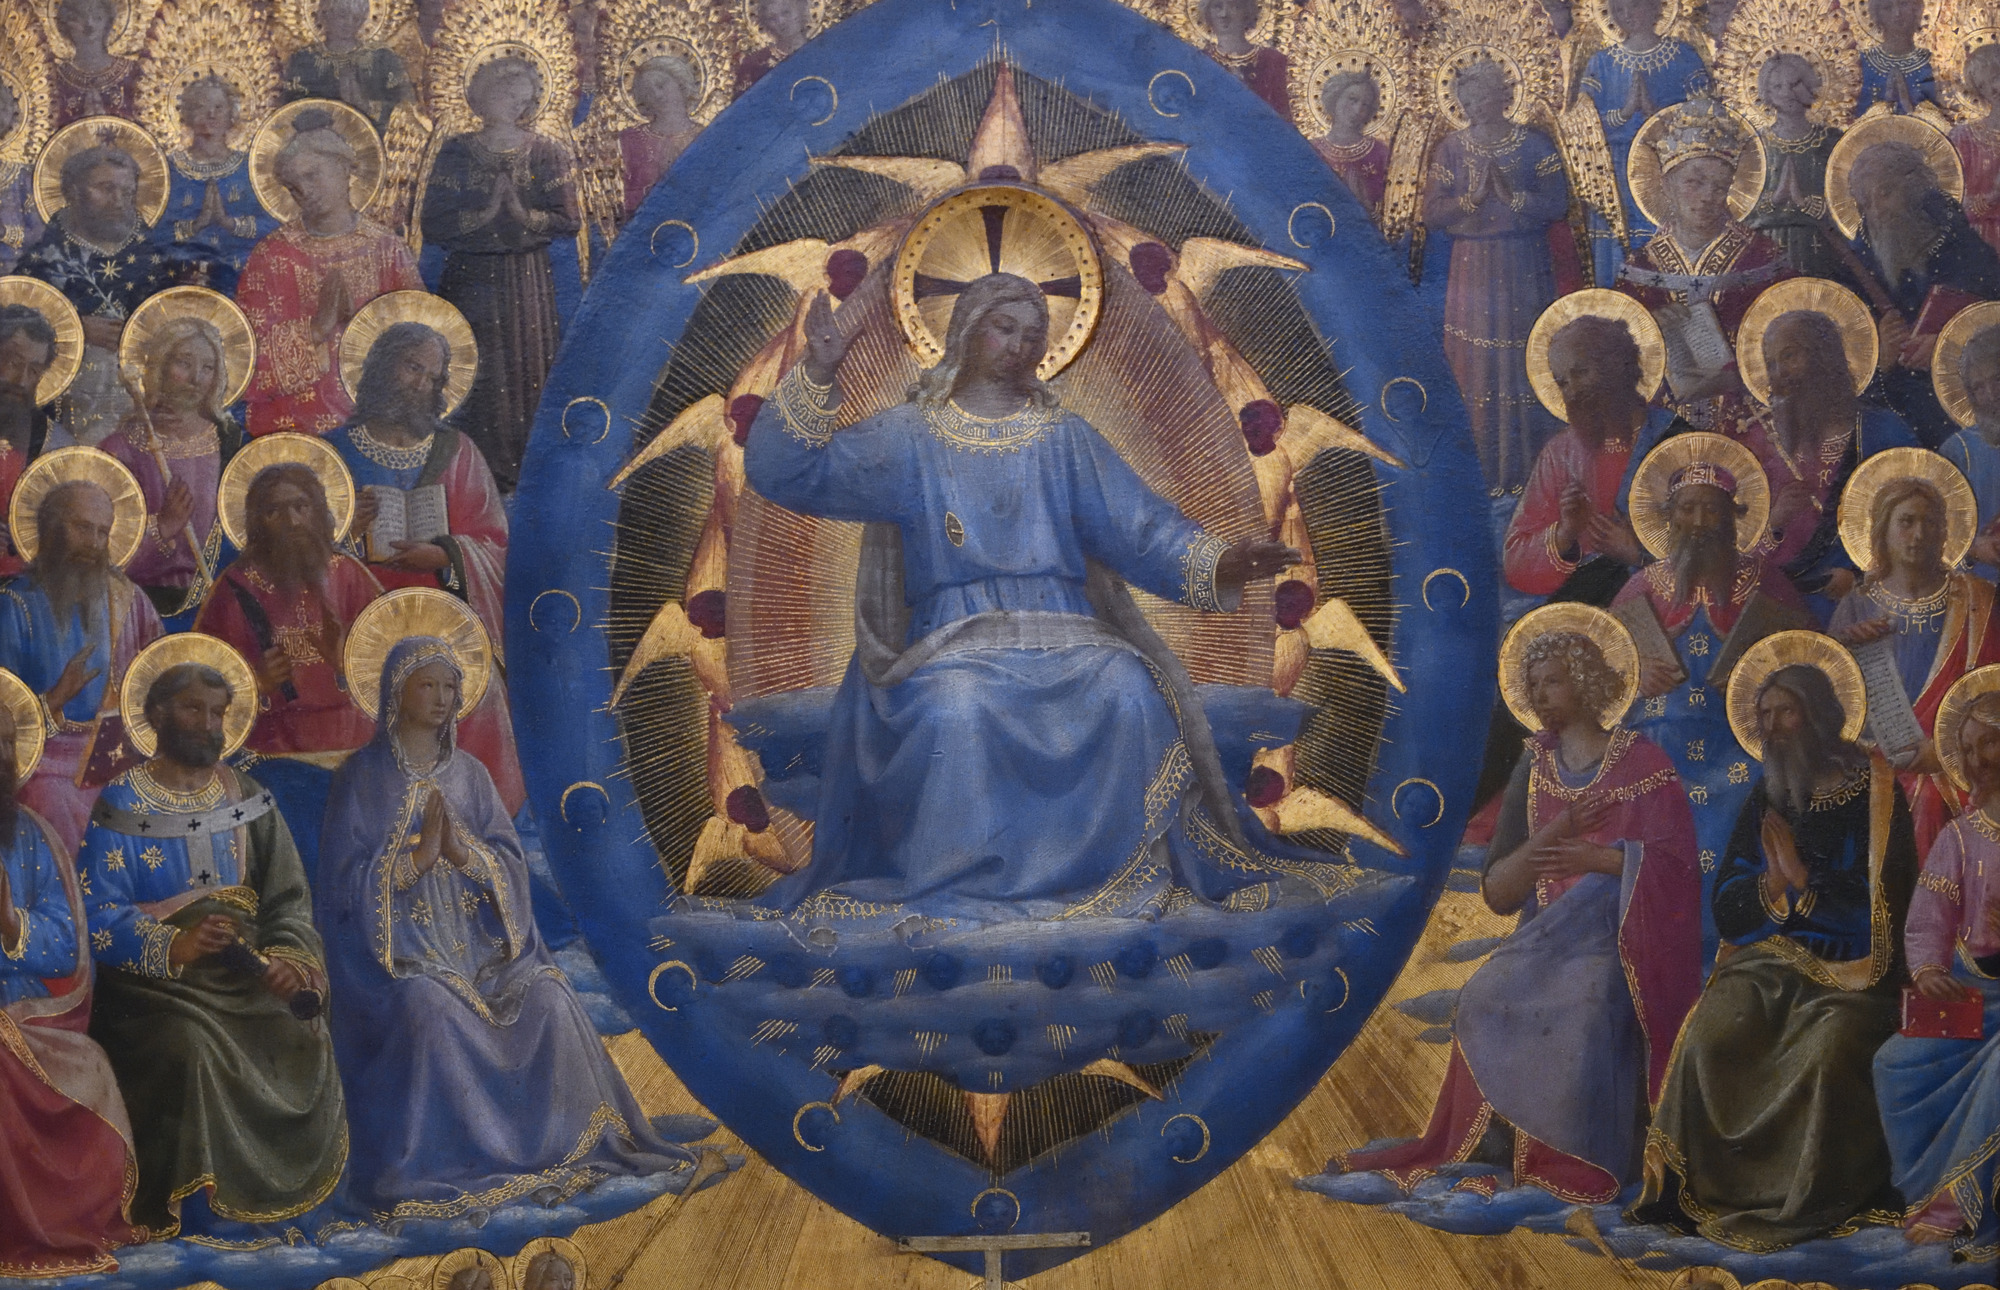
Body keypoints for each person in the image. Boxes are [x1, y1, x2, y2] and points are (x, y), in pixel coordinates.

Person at [743, 272, 1307, 920]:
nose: (1018, 345)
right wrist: (817, 372)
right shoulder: (911, 435)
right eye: (1004, 328)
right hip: (951, 640)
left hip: (1068, 631)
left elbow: (1143, 531)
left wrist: (1225, 562)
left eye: (1033, 336)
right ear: (967, 330)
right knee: (956, 707)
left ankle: (1115, 884)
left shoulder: (1064, 438)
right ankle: (961, 895)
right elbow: (787, 473)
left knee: (1128, 691)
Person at [318, 635, 691, 1218]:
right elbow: (340, 889)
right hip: (403, 965)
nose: (442, 698)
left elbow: (509, 860)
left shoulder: (470, 775)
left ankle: (566, 1148)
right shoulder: (360, 779)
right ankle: (445, 1163)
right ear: (396, 692)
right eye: (427, 685)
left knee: (551, 997)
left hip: (485, 956)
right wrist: (414, 862)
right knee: (429, 1010)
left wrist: (464, 855)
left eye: (450, 686)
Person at [1341, 617, 1701, 1202]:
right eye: (1532, 685)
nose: (1539, 696)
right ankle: (1497, 1145)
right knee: (1483, 996)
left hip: (1621, 944)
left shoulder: (1644, 765)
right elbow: (1499, 892)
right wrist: (1555, 833)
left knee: (1585, 1004)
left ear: (1585, 682)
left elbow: (1681, 874)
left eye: (1551, 681)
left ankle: (1572, 1159)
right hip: (1544, 941)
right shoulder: (1532, 770)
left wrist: (1603, 860)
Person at [1628, 657, 1917, 1250]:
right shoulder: (1771, 792)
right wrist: (1773, 885)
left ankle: (1809, 1198)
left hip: (1857, 976)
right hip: (1771, 961)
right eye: (1763, 715)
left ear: (1820, 714)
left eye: (1785, 711)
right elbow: (1728, 902)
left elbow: (1891, 903)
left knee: (1829, 1050)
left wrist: (1805, 883)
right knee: (1711, 1034)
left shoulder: (1879, 790)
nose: (1773, 726)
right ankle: (1695, 1193)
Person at [78, 658, 346, 1238]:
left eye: (218, 713)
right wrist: (176, 945)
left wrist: (288, 962)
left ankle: (290, 1213)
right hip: (156, 991)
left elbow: (288, 899)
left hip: (244, 977)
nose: (207, 724)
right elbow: (97, 913)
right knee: (190, 1047)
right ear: (156, 714)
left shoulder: (248, 796)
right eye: (192, 709)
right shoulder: (122, 800)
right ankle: (203, 1216)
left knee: (304, 1031)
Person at [1611, 443, 1813, 954]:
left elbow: (1806, 668)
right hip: (1655, 743)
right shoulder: (1639, 589)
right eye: (1687, 508)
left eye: (1711, 509)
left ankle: (1736, 940)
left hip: (1741, 742)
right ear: (1669, 517)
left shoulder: (1768, 585)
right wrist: (1634, 678)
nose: (1699, 522)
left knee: (1749, 800)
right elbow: (1601, 684)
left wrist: (1764, 680)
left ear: (1732, 517)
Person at [327, 321, 524, 812]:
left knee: (482, 693)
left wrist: (444, 555)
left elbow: (495, 544)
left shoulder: (457, 451)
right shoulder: (333, 452)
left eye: (433, 377)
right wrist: (346, 535)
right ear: (381, 366)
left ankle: (473, 817)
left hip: (443, 617)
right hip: (356, 615)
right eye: (412, 367)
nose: (421, 384)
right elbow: (296, 555)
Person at [0, 689, 144, 1276]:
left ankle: (60, 1220)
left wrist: (12, 925)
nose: (1, 755)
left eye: (7, 742)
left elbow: (65, 947)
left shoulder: (30, 835)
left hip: (22, 1012)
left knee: (89, 1066)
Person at [1872, 687, 2000, 1256]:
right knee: (1893, 1062)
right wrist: (1926, 971)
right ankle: (1926, 1193)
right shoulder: (1960, 838)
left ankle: (1958, 1205)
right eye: (1967, 748)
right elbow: (1928, 920)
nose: (1976, 759)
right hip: (1973, 994)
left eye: (1988, 744)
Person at [420, 56, 581, 492]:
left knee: (525, 366)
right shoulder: (456, 151)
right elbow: (433, 223)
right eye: (499, 92)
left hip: (526, 279)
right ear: (479, 96)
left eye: (517, 96)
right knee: (474, 366)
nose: (509, 102)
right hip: (470, 276)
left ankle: (524, 471)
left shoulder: (545, 152)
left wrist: (522, 215)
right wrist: (488, 212)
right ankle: (469, 471)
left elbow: (568, 220)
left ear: (529, 101)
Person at [1423, 57, 1571, 499]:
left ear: (1504, 96)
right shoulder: (1452, 148)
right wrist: (1470, 200)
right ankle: (1481, 472)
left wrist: (1513, 197)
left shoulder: (1534, 145)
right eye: (1467, 101)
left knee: (1524, 356)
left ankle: (1533, 470)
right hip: (1471, 268)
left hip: (1523, 262)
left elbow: (1558, 205)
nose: (1475, 107)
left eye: (1484, 97)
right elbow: (1432, 214)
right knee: (1475, 365)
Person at [1830, 470, 2000, 853]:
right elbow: (1833, 703)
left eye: (1930, 523)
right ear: (1883, 530)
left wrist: (1944, 750)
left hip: (1962, 763)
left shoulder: (1977, 599)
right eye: (1906, 522)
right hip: (1877, 767)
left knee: (1935, 799)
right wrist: (1847, 651)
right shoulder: (1856, 605)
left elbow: (1992, 690)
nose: (1919, 534)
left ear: (1943, 533)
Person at [0, 475, 164, 851]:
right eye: (82, 528)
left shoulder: (128, 600)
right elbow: (4, 712)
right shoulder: (14, 606)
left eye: (102, 532)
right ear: (50, 529)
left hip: (117, 752)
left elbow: (159, 673)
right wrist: (55, 698)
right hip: (42, 761)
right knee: (51, 800)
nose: (93, 543)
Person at [236, 110, 423, 437]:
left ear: (344, 168)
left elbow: (420, 342)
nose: (304, 192)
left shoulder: (386, 249)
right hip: (291, 427)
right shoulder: (271, 255)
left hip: (372, 424)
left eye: (312, 175)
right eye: (293, 187)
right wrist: (317, 328)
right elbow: (245, 361)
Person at [1617, 98, 1793, 429]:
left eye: (1719, 186)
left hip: (1747, 419)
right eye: (1694, 182)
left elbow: (1790, 334)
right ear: (1667, 185)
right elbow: (1618, 348)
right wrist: (1649, 326)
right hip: (1664, 420)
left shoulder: (1762, 256)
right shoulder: (1641, 264)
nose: (1707, 196)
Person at [1732, 307, 1919, 614]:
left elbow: (1919, 526)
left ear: (1824, 356)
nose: (1780, 374)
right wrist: (1775, 521)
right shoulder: (1769, 457)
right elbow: (1744, 557)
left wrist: (1861, 577)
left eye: (1790, 356)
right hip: (1785, 610)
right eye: (1771, 364)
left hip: (1870, 607)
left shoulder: (1884, 432)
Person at [195, 462, 380, 759]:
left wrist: (345, 663)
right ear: (258, 521)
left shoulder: (347, 574)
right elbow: (203, 679)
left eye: (301, 506)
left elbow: (392, 665)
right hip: (268, 747)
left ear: (318, 511)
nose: (291, 522)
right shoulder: (235, 587)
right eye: (273, 511)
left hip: (353, 741)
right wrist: (256, 681)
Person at [17, 144, 187, 447]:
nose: (118, 200)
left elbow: (178, 327)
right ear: (73, 191)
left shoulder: (152, 258)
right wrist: (75, 329)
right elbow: (13, 330)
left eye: (127, 191)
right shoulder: (43, 260)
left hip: (140, 408)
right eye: (106, 188)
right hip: (64, 408)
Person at [1842, 139, 2000, 449]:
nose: (1878, 211)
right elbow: (1850, 380)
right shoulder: (1859, 269)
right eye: (1867, 204)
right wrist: (1881, 357)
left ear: (1913, 188)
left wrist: (1948, 344)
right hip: (1905, 422)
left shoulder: (1963, 247)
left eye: (1885, 193)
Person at [1502, 312, 1662, 599]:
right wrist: (1565, 534)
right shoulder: (1560, 454)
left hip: (1661, 604)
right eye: (1562, 382)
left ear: (1617, 366)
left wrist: (1638, 554)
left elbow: (1717, 546)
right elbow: (1516, 563)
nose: (1572, 391)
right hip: (1586, 604)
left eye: (1581, 373)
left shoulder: (1671, 436)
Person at [98, 315, 240, 624]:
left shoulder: (231, 442)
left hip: (218, 604)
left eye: (207, 368)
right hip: (141, 608)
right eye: (184, 364)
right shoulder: (121, 449)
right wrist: (162, 527)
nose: (196, 379)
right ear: (160, 367)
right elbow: (103, 552)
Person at [1578, 0, 1709, 285]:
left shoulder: (1684, 57)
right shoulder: (1601, 62)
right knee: (1617, 239)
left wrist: (1654, 114)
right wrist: (1625, 112)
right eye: (1618, 9)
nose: (1626, 15)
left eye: (1635, 5)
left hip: (1666, 164)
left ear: (1655, 6)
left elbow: (1705, 118)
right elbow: (1584, 124)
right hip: (1613, 168)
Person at [164, 77, 278, 297]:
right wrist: (196, 225)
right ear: (186, 115)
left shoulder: (251, 169)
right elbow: (153, 231)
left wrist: (230, 223)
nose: (211, 114)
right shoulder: (168, 170)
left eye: (219, 107)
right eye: (200, 107)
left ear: (231, 115)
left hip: (243, 276)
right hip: (181, 277)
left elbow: (274, 225)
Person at [1744, 54, 1843, 279]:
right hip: (1767, 246)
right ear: (1767, 93)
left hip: (1824, 245)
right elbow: (1740, 208)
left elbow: (1850, 203)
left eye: (1795, 84)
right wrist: (1774, 200)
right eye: (1777, 86)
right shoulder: (1756, 147)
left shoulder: (1831, 142)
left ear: (1809, 86)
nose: (1787, 93)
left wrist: (1808, 203)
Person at [281, 0, 415, 135]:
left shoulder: (382, 59)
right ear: (326, 15)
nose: (349, 23)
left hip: (373, 137)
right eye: (342, 15)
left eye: (356, 18)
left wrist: (366, 105)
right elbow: (291, 109)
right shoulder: (304, 60)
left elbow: (405, 106)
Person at [1940, 323, 2000, 577]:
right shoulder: (1959, 450)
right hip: (1982, 588)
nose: (1992, 395)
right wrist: (1974, 548)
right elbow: (1937, 532)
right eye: (1978, 387)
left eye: (1997, 379)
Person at [619, 53, 702, 222]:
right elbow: (624, 197)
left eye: (661, 85)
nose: (657, 95)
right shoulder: (630, 141)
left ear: (681, 84)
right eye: (648, 92)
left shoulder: (705, 137)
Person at [1310, 70, 1391, 223]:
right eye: (1352, 99)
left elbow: (1388, 216)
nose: (1358, 110)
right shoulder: (1311, 150)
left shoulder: (1380, 153)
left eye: (1365, 105)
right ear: (1335, 98)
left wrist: (1362, 201)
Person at [48, 0, 140, 127]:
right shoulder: (55, 78)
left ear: (108, 23)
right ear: (65, 24)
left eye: (97, 17)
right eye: (79, 18)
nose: (89, 25)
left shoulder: (132, 72)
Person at [1195, 0, 1290, 118]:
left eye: (1234, 7)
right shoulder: (1200, 62)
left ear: (1247, 12)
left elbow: (1283, 116)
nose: (1224, 14)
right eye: (1217, 6)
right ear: (1207, 13)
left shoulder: (1272, 60)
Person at [1852, 0, 1941, 119]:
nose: (1897, 13)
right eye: (1887, 7)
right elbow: (1854, 119)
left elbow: (1942, 117)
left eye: (1903, 4)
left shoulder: (1932, 63)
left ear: (1916, 8)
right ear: (1877, 15)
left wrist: (1908, 107)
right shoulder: (1861, 63)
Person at [1951, 43, 2000, 255]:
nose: (1993, 89)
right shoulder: (1964, 139)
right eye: (1982, 85)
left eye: (1996, 77)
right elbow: (1952, 207)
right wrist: (1992, 197)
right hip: (1982, 247)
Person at [0, 80, 46, 275]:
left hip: (15, 273)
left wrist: (5, 233)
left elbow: (39, 234)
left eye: (2, 108)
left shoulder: (22, 176)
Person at [733, 0, 809, 96]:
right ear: (765, 23)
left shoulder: (821, 52)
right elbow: (744, 103)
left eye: (786, 12)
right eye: (772, 18)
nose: (781, 22)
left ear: (801, 9)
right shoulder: (754, 65)